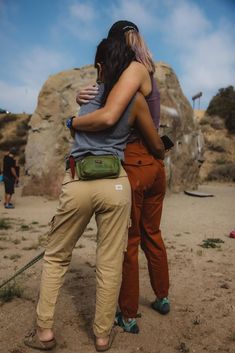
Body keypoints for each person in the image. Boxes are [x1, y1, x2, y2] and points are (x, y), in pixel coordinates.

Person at [24, 38, 164, 352]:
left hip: (78, 179)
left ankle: (45, 331)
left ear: (99, 66)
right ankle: (101, 336)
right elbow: (154, 143)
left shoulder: (88, 94)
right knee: (111, 261)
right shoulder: (135, 101)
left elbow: (80, 126)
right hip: (115, 182)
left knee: (57, 256)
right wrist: (160, 151)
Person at [74, 20, 170, 334]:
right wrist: (85, 94)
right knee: (152, 235)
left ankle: (127, 314)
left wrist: (75, 117)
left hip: (135, 163)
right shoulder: (147, 68)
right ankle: (162, 296)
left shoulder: (132, 70)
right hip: (154, 163)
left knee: (129, 242)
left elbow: (111, 115)